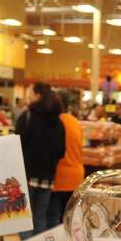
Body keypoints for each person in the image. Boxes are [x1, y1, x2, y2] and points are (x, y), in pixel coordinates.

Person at [14, 82, 67, 236]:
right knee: (39, 218)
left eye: (30, 93)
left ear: (38, 95)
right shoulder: (58, 122)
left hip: (26, 176)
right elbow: (61, 152)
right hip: (48, 178)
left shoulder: (28, 116)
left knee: (23, 220)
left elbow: (16, 144)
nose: (28, 96)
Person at [48, 90, 85, 230]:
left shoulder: (54, 122)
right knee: (69, 218)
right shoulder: (75, 122)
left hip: (60, 176)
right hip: (76, 175)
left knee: (53, 219)